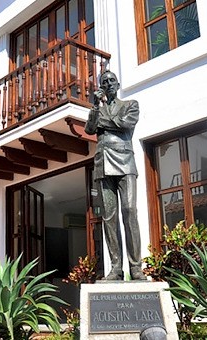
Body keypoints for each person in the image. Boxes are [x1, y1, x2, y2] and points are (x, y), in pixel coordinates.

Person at [85, 70, 146, 281]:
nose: (108, 84)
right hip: (103, 164)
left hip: (125, 162)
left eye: (111, 81)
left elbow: (125, 124)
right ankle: (116, 267)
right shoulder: (97, 110)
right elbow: (90, 128)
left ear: (118, 84)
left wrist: (105, 121)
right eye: (104, 82)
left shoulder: (131, 104)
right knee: (109, 217)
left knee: (129, 211)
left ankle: (136, 267)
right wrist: (95, 107)